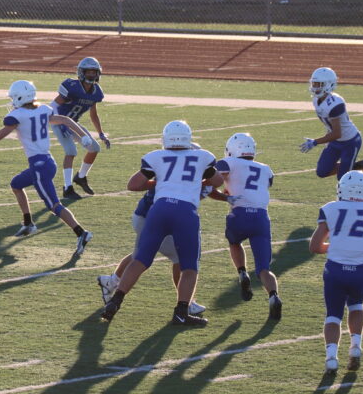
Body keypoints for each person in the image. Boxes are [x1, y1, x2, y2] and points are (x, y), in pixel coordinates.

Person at [100, 120, 223, 326]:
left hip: (159, 209)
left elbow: (134, 184)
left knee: (140, 260)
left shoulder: (156, 156)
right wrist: (194, 181)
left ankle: (115, 301)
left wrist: (163, 181)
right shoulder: (202, 156)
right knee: (189, 266)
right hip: (185, 212)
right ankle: (181, 313)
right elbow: (218, 181)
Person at [0, 80, 97, 256]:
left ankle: (81, 233)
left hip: (39, 166)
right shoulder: (43, 109)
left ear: (20, 97)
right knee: (16, 184)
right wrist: (83, 136)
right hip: (47, 162)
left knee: (54, 205)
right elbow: (65, 119)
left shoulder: (17, 115)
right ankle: (28, 223)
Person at [309, 171, 363, 375]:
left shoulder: (331, 209)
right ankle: (355, 345)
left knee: (333, 314)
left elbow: (315, 246)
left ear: (341, 189)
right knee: (356, 305)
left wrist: (338, 245)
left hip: (335, 270)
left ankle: (331, 358)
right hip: (361, 270)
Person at [96, 185, 208, 316]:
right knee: (178, 257)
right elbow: (136, 182)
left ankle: (111, 281)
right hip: (153, 217)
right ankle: (186, 303)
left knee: (140, 255)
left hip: (146, 214)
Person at [212, 132, 283, 320]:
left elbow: (214, 181)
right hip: (261, 217)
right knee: (264, 269)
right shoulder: (266, 169)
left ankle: (242, 272)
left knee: (234, 242)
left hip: (240, 214)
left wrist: (224, 193)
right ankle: (273, 296)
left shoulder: (228, 162)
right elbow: (262, 185)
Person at [54, 57, 110, 199]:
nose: (91, 75)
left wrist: (101, 133)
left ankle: (81, 177)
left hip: (73, 123)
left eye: (93, 72)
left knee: (94, 148)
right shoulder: (72, 86)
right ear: (81, 72)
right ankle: (67, 188)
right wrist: (60, 122)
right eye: (88, 72)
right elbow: (53, 106)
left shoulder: (96, 92)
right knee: (71, 151)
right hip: (58, 121)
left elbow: (93, 114)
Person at [299, 67, 363, 179]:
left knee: (343, 178)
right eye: (314, 83)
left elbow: (337, 133)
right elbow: (330, 126)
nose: (315, 87)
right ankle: (354, 166)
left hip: (350, 142)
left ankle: (350, 170)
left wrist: (315, 142)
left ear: (329, 84)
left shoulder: (336, 103)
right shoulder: (316, 100)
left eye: (319, 84)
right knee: (322, 172)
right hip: (335, 141)